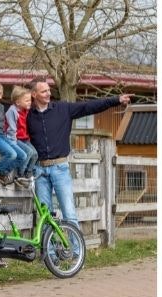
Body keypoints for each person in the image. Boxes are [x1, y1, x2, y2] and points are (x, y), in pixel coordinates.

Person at [26, 76, 132, 230]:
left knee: (69, 213)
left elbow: (89, 106)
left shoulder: (63, 109)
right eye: (44, 91)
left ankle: (77, 252)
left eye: (49, 90)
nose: (48, 93)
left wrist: (116, 100)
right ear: (34, 94)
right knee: (44, 215)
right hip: (39, 171)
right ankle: (50, 253)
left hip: (60, 168)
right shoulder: (28, 115)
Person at [5, 85, 38, 188]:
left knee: (35, 154)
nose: (30, 102)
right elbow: (11, 128)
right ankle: (20, 175)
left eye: (30, 100)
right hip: (14, 138)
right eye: (27, 100)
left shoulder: (26, 110)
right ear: (18, 102)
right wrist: (13, 143)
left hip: (24, 138)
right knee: (28, 152)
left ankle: (28, 174)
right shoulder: (12, 111)